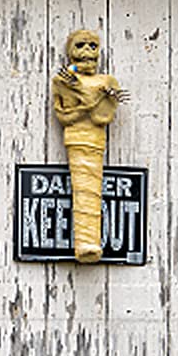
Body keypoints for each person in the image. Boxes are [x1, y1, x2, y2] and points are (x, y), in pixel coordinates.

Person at [51, 28, 122, 263]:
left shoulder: (107, 83)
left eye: (93, 46)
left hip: (95, 142)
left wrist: (82, 94)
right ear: (70, 51)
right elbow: (64, 117)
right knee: (82, 193)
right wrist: (87, 103)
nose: (87, 52)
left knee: (91, 194)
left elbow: (102, 118)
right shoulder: (62, 82)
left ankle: (90, 244)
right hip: (75, 140)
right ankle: (85, 243)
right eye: (80, 46)